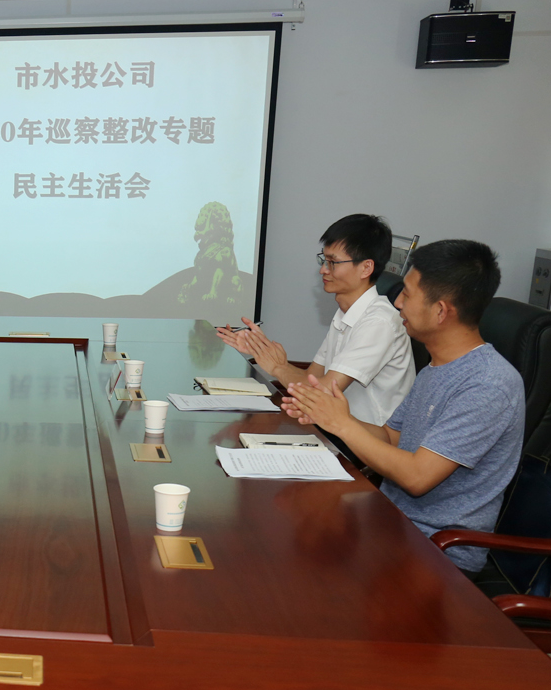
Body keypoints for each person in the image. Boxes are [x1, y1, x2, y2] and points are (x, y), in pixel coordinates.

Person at [283, 239, 523, 573]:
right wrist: (327, 413)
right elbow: (392, 437)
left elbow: (417, 476)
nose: (397, 302)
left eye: (407, 295)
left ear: (441, 311)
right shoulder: (437, 367)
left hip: (438, 555)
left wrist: (342, 424)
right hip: (390, 525)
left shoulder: (487, 384)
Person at [217, 214, 415, 426]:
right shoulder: (346, 314)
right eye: (324, 260)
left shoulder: (379, 322)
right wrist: (264, 352)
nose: (323, 270)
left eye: (333, 262)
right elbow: (311, 379)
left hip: (369, 440)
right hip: (338, 430)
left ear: (366, 268)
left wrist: (278, 368)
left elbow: (321, 394)